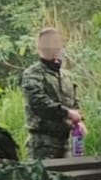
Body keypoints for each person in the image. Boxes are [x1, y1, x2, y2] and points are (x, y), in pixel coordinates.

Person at [21, 27, 82, 160]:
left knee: (69, 178)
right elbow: (38, 103)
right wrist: (67, 113)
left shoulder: (66, 76)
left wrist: (78, 121)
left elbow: (74, 102)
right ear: (39, 48)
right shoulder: (32, 74)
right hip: (42, 144)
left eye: (56, 43)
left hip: (66, 143)